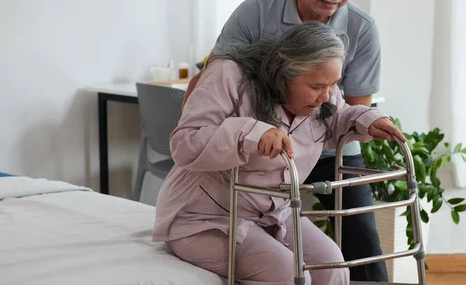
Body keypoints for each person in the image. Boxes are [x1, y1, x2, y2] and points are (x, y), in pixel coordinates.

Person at [182, 0, 388, 282]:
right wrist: (196, 137)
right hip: (259, 147)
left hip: (326, 146)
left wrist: (367, 121)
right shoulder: (255, 14)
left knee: (363, 248)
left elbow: (347, 107)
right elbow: (211, 79)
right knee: (272, 244)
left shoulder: (362, 29)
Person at [154, 23, 404, 284]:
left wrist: (369, 119)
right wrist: (250, 133)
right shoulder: (229, 75)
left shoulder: (324, 92)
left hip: (274, 214)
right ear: (282, 74)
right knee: (290, 275)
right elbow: (184, 144)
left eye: (334, 85)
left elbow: (340, 115)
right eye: (317, 86)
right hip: (204, 219)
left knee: (334, 267)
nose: (326, 96)